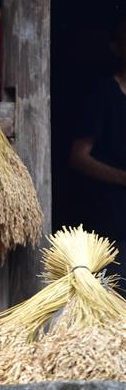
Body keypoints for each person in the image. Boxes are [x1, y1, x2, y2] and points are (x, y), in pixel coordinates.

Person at [70, 14, 126, 267]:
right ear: (117, 47)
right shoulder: (105, 93)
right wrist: (122, 177)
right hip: (112, 221)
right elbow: (79, 157)